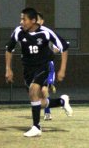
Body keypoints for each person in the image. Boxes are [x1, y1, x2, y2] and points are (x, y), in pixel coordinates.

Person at [5, 7, 72, 137]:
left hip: (43, 67)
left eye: (24, 19)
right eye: (21, 19)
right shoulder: (18, 32)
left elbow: (64, 47)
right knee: (38, 100)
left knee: (34, 90)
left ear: (33, 21)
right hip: (28, 70)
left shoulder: (46, 32)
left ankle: (36, 127)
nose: (21, 22)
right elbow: (9, 49)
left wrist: (62, 69)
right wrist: (8, 69)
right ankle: (61, 102)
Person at [36, 12, 59, 121]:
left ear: (42, 21)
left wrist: (54, 50)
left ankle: (47, 113)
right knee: (39, 92)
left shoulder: (48, 33)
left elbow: (56, 47)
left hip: (47, 65)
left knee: (44, 90)